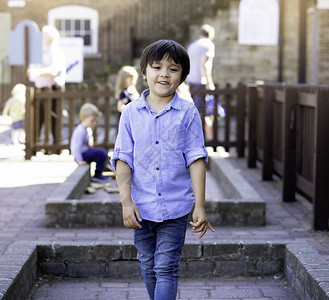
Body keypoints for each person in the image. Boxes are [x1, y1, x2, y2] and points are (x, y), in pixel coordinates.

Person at [111, 39, 215, 300]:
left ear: (182, 76)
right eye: (157, 67)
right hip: (141, 208)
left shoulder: (188, 113)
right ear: (144, 72)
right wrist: (126, 203)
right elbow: (123, 159)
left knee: (165, 267)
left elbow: (196, 159)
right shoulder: (131, 113)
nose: (164, 74)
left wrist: (199, 205)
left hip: (176, 206)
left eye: (173, 68)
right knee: (148, 265)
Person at [29, 25, 66, 145]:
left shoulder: (54, 50)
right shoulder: (42, 49)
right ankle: (38, 142)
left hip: (52, 88)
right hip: (41, 88)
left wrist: (36, 72)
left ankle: (55, 144)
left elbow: (53, 70)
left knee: (53, 117)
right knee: (39, 117)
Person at [186, 24, 216, 140]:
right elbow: (205, 65)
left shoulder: (192, 45)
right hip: (200, 83)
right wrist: (209, 82)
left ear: (200, 35)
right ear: (211, 36)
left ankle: (205, 139)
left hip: (190, 82)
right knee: (203, 113)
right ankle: (210, 140)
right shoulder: (208, 45)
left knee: (195, 112)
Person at [70, 103, 109, 183]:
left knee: (101, 153)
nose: (94, 123)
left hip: (85, 152)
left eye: (95, 121)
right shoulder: (80, 130)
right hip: (81, 155)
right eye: (92, 121)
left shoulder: (87, 129)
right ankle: (97, 174)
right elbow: (75, 147)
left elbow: (89, 139)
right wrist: (79, 160)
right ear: (83, 119)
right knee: (101, 153)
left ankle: (100, 171)